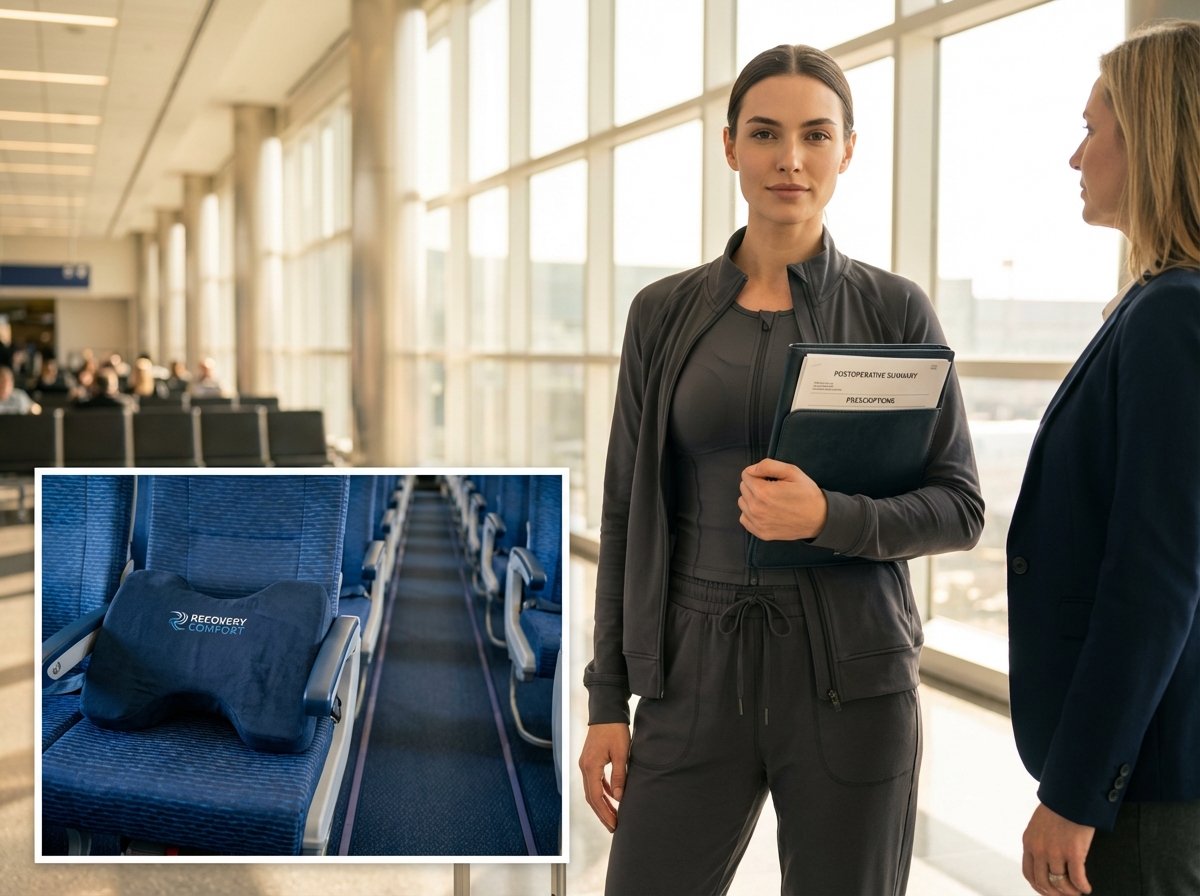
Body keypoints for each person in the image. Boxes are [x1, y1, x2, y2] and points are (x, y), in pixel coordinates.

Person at [579, 44, 984, 896]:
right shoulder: (662, 314)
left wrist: (831, 518)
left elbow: (958, 506)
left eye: (815, 135)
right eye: (765, 133)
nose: (789, 159)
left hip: (852, 683)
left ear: (847, 150)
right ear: (729, 146)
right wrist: (608, 699)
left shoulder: (893, 308)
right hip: (692, 675)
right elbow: (625, 511)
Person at [1008, 21, 1200, 896]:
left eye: (1093, 129)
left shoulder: (1172, 316)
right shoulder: (1156, 306)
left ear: (1152, 138)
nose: (1075, 156)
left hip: (1148, 786)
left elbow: (1154, 577)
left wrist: (1078, 791)